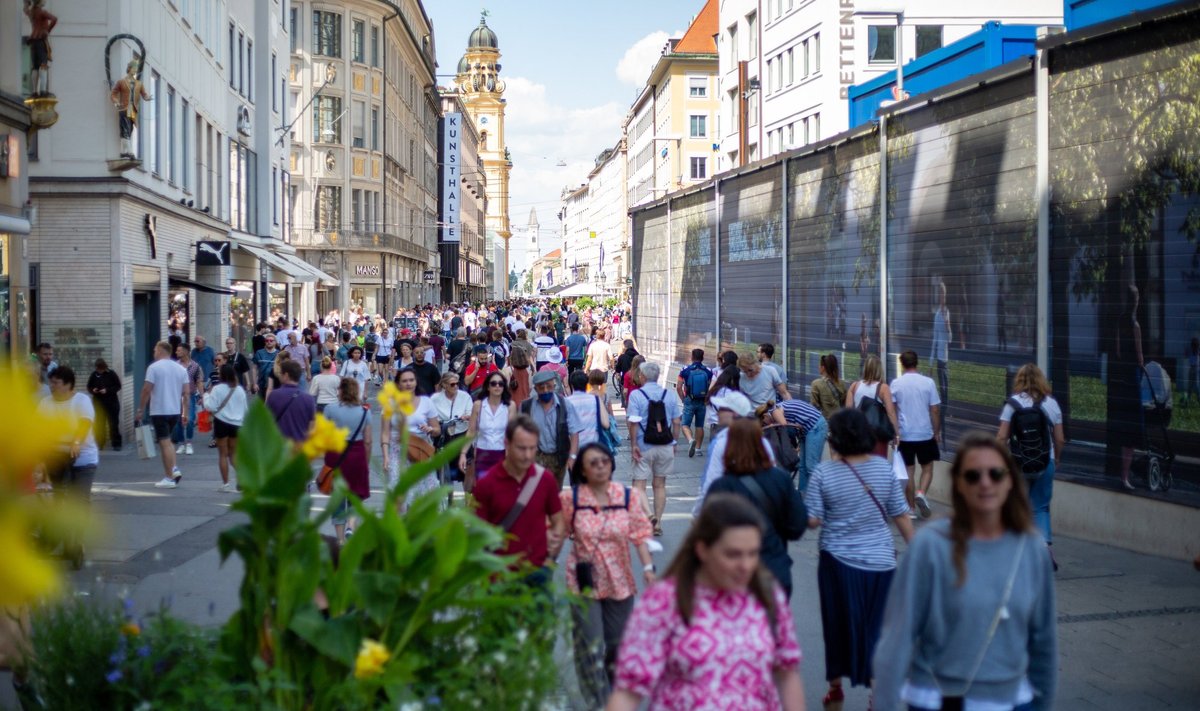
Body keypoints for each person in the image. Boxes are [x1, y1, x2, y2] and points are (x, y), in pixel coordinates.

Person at [873, 433, 1057, 711]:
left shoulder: (1031, 549)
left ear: (1009, 481)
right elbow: (898, 637)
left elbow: (1043, 641)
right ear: (958, 483)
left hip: (1013, 700)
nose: (985, 483)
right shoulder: (930, 546)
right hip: (938, 699)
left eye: (995, 474)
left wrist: (1042, 703)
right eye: (973, 476)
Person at [608, 494, 805, 711]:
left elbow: (787, 673)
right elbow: (629, 690)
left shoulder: (767, 594)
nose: (745, 565)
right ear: (702, 550)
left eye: (753, 554)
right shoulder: (663, 601)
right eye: (733, 555)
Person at [806, 408, 914, 708]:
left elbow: (812, 520)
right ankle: (877, 695)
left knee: (837, 625)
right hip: (882, 564)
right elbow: (901, 517)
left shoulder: (824, 473)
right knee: (878, 628)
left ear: (836, 439)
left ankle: (835, 688)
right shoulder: (883, 470)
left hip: (837, 563)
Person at [561, 443, 655, 708]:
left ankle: (615, 695)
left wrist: (648, 568)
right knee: (591, 645)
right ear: (583, 470)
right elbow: (557, 533)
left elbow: (639, 534)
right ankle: (597, 701)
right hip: (583, 581)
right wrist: (546, 563)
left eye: (604, 461)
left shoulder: (628, 497)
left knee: (617, 645)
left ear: (612, 464)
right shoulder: (571, 500)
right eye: (593, 463)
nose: (601, 466)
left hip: (619, 580)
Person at [706, 418, 807, 599]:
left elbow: (708, 536)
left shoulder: (722, 486)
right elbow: (797, 526)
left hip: (733, 575)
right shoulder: (781, 479)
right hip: (773, 569)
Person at [472, 416, 567, 587]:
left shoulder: (545, 479)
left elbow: (558, 521)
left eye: (532, 448)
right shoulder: (487, 484)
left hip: (537, 572)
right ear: (507, 444)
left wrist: (550, 559)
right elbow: (477, 533)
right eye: (521, 449)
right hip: (500, 577)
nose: (528, 455)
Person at [997, 363, 1065, 565]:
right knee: (1041, 508)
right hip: (1046, 461)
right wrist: (1056, 458)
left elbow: (1002, 436)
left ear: (1019, 380)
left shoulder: (1012, 404)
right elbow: (1060, 439)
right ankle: (1043, 547)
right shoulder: (1051, 404)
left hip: (1018, 464)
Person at [40, 366, 97, 568]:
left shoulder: (81, 401)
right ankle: (64, 541)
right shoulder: (45, 404)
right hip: (56, 458)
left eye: (56, 383)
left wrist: (76, 442)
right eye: (51, 382)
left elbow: (85, 423)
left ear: (68, 384)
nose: (52, 386)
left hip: (83, 458)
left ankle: (77, 541)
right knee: (59, 500)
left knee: (79, 500)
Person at [626, 362, 682, 535]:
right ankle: (658, 522)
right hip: (665, 444)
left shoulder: (636, 395)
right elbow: (677, 422)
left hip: (644, 444)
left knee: (639, 485)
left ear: (642, 376)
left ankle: (649, 514)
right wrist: (674, 441)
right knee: (660, 484)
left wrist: (634, 444)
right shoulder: (670, 394)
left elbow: (633, 421)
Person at [381, 368, 441, 510]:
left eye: (411, 380)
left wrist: (430, 429)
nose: (408, 384)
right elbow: (385, 433)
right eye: (405, 381)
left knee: (425, 492)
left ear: (416, 382)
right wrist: (385, 456)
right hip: (398, 452)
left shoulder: (426, 402)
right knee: (398, 492)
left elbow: (437, 430)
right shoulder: (390, 403)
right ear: (398, 384)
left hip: (420, 450)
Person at [891, 350, 941, 518]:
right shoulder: (928, 383)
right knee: (927, 468)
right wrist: (936, 431)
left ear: (902, 364)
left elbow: (892, 410)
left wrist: (895, 432)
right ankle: (921, 493)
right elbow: (934, 410)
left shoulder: (896, 384)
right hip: (925, 433)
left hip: (905, 435)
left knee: (908, 472)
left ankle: (911, 509)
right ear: (916, 363)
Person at [322, 378, 371, 543]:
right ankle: (351, 524)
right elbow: (368, 440)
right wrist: (367, 460)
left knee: (337, 495)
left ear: (341, 391)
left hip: (336, 453)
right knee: (356, 492)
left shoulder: (330, 409)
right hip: (357, 453)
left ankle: (340, 538)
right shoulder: (365, 411)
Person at [519, 370, 584, 487]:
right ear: (535, 388)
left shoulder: (565, 405)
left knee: (554, 492)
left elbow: (574, 433)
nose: (545, 390)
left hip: (558, 458)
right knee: (536, 493)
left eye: (548, 386)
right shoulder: (526, 407)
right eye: (541, 387)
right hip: (535, 458)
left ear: (554, 386)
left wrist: (572, 457)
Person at [138, 341, 189, 489]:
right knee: (168, 443)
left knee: (164, 442)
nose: (154, 353)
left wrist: (140, 409)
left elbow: (146, 389)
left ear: (160, 351)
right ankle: (171, 473)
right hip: (175, 411)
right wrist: (185, 412)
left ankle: (171, 473)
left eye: (155, 350)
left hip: (159, 410)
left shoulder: (154, 368)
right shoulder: (180, 369)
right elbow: (186, 393)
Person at [460, 371, 517, 491]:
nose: (497, 386)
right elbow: (471, 431)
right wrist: (463, 454)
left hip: (503, 454)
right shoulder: (478, 405)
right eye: (494, 383)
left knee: (501, 492)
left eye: (501, 384)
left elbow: (511, 433)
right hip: (482, 454)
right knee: (483, 492)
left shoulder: (510, 406)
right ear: (487, 386)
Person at [202, 363, 248, 493]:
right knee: (234, 454)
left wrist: (205, 396)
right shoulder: (239, 389)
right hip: (237, 424)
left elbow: (210, 406)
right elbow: (245, 410)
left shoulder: (217, 389)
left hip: (221, 422)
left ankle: (226, 484)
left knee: (223, 454)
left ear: (221, 375)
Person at [845, 354, 900, 456]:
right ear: (879, 369)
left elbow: (848, 413)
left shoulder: (854, 386)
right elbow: (891, 413)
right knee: (877, 467)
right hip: (877, 435)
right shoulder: (883, 388)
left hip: (859, 434)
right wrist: (896, 434)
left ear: (865, 368)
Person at [768, 397, 826, 492]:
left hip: (815, 426)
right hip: (807, 429)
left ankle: (821, 494)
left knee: (811, 466)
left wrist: (772, 426)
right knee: (802, 467)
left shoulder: (774, 410)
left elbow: (784, 424)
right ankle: (802, 493)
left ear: (764, 416)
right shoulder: (776, 408)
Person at [431, 371, 472, 493]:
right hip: (443, 435)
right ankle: (447, 499)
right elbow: (431, 415)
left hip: (460, 435)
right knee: (443, 472)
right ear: (444, 385)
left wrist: (467, 416)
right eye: (452, 384)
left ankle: (467, 499)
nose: (456, 386)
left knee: (467, 471)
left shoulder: (465, 396)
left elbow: (470, 412)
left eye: (457, 384)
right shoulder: (435, 399)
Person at [266, 359, 317, 446]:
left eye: (280, 373)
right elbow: (312, 426)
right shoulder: (308, 399)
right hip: (299, 447)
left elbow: (267, 421)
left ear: (286, 375)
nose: (279, 376)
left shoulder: (274, 395)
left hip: (279, 446)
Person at [109, 57, 151, 158]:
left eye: (136, 69)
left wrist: (147, 98)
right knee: (125, 129)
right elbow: (113, 94)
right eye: (133, 68)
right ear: (129, 68)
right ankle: (130, 151)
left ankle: (124, 151)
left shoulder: (139, 84)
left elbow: (144, 94)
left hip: (133, 110)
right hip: (124, 108)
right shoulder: (121, 82)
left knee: (130, 129)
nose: (135, 70)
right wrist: (116, 102)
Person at [676, 349, 714, 458]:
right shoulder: (708, 371)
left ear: (692, 357)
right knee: (699, 425)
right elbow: (711, 387)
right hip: (702, 401)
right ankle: (698, 449)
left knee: (685, 424)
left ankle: (690, 439)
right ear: (702, 358)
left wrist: (683, 399)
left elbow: (679, 387)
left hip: (689, 400)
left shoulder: (685, 370)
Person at [170, 343, 203, 455]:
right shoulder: (175, 365)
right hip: (177, 396)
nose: (176, 352)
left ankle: (189, 442)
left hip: (191, 395)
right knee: (178, 420)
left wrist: (202, 396)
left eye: (179, 350)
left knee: (190, 419)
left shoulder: (195, 366)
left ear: (185, 352)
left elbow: (199, 381)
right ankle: (181, 443)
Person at [931, 281, 952, 444]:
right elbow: (935, 339)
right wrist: (931, 362)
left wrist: (948, 326)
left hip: (946, 359)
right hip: (939, 360)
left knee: (946, 396)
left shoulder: (946, 314)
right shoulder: (938, 314)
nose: (941, 296)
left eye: (943, 293)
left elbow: (950, 339)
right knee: (942, 395)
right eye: (940, 293)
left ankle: (941, 429)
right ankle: (940, 432)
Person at [565, 369, 608, 450]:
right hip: (593, 446)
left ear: (572, 384)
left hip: (573, 448)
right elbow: (606, 424)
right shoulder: (595, 400)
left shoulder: (566, 402)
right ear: (587, 383)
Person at [86, 358, 122, 451]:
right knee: (99, 424)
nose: (99, 371)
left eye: (101, 369)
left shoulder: (111, 373)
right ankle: (100, 443)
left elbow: (118, 386)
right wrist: (93, 390)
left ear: (104, 368)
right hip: (99, 403)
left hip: (112, 402)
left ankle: (116, 443)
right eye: (98, 369)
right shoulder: (94, 375)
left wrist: (107, 390)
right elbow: (89, 386)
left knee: (113, 424)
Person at [23, 0, 57, 97]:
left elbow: (25, 10)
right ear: (40, 2)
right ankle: (42, 91)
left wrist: (26, 3)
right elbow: (54, 19)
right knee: (43, 65)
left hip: (33, 41)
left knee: (35, 67)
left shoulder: (32, 12)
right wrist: (47, 30)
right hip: (41, 40)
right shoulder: (42, 12)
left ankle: (34, 91)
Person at [810, 354, 846, 421]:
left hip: (824, 424)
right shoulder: (842, 384)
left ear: (823, 368)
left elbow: (813, 408)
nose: (818, 367)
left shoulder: (816, 384)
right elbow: (844, 405)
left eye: (819, 365)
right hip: (839, 424)